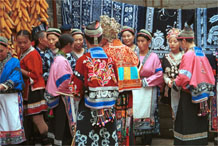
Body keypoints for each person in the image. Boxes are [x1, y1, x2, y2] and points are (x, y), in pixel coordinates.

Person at [71, 21, 119, 145]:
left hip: (88, 109)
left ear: (86, 40)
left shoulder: (83, 61)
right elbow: (117, 82)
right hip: (108, 111)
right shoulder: (111, 60)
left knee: (88, 139)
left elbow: (76, 89)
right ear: (101, 38)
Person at [169, 26, 215, 145]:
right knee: (199, 124)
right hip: (202, 94)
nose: (180, 46)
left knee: (186, 124)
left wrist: (174, 84)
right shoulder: (200, 52)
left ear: (184, 41)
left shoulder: (188, 54)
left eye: (180, 42)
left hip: (190, 96)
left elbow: (184, 76)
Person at [100, 15, 141, 145]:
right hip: (127, 94)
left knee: (111, 121)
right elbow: (138, 65)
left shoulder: (104, 52)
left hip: (110, 94)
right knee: (126, 121)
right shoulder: (128, 51)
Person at [17, 30, 49, 145]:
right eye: (19, 43)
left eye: (24, 42)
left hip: (34, 89)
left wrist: (18, 69)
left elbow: (35, 75)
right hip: (29, 89)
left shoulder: (33, 54)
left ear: (31, 41)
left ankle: (47, 141)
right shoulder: (23, 52)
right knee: (31, 118)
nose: (21, 45)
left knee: (37, 118)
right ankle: (38, 141)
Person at [134, 29, 163, 145]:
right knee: (135, 112)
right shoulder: (133, 55)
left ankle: (147, 141)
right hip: (135, 89)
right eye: (138, 41)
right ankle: (134, 139)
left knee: (148, 114)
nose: (140, 44)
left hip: (148, 90)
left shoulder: (154, 57)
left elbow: (159, 75)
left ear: (149, 42)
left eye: (143, 41)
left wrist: (146, 81)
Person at [45, 34, 75, 145]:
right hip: (61, 96)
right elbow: (64, 81)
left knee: (58, 123)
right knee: (62, 125)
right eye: (72, 45)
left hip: (56, 95)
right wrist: (72, 90)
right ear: (68, 45)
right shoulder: (61, 60)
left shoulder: (58, 58)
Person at [0, 36, 26, 145]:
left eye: (1, 51)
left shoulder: (14, 61)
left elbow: (15, 76)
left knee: (13, 121)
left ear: (7, 49)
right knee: (2, 123)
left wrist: (5, 85)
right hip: (1, 97)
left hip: (11, 97)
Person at [161, 28, 183, 119]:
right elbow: (163, 73)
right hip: (170, 87)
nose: (172, 44)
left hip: (182, 87)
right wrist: (167, 81)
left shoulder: (184, 56)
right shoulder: (166, 57)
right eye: (170, 42)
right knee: (172, 109)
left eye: (175, 41)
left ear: (180, 43)